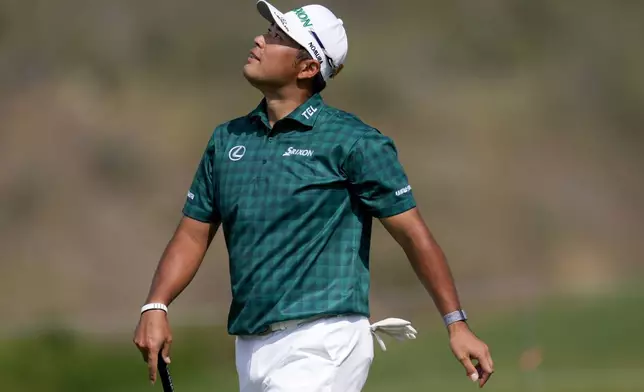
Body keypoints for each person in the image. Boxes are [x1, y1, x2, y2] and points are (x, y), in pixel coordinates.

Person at [133, 1, 495, 391]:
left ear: (307, 68)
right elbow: (192, 233)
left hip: (325, 341)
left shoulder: (354, 141)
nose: (260, 39)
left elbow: (413, 234)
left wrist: (455, 323)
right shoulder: (227, 140)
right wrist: (156, 304)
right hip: (251, 346)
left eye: (277, 37)